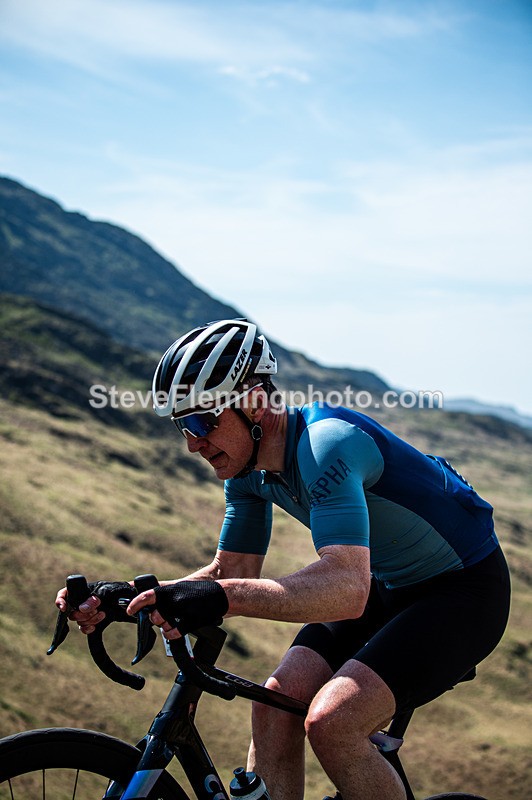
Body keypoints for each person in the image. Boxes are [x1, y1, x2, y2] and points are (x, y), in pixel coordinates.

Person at [57, 318, 511, 800]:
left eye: (200, 420)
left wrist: (219, 597)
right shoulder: (246, 470)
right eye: (180, 425)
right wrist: (127, 598)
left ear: (254, 402)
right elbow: (230, 575)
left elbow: (346, 589)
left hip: (464, 592)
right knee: (274, 705)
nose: (192, 443)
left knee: (332, 724)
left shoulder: (327, 445)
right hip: (389, 583)